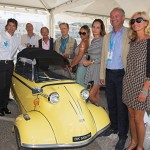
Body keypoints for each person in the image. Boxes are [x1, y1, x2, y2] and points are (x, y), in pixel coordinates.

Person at [100, 7, 130, 150]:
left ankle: (123, 135)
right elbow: (103, 57)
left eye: (117, 16)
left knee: (121, 105)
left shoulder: (130, 34)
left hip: (123, 73)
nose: (114, 18)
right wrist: (102, 76)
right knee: (111, 102)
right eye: (111, 16)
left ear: (123, 18)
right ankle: (114, 127)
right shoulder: (107, 36)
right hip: (109, 73)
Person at [123, 11, 150, 150]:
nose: (135, 23)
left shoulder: (149, 41)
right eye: (132, 21)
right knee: (131, 116)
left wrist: (145, 90)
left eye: (139, 20)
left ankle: (139, 146)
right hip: (129, 83)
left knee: (139, 119)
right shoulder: (133, 42)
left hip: (142, 84)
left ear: (146, 22)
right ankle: (133, 142)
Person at [0, 18, 24, 116]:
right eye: (9, 25)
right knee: (1, 86)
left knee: (7, 86)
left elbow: (22, 49)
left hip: (10, 64)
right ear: (6, 26)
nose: (11, 28)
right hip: (1, 63)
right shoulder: (1, 36)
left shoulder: (16, 39)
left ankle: (4, 106)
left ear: (16, 28)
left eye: (13, 26)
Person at [83, 19, 106, 105]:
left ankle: (103, 110)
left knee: (90, 95)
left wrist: (91, 62)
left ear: (101, 29)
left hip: (98, 70)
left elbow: (104, 57)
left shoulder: (103, 40)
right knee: (96, 94)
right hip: (91, 69)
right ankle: (98, 113)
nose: (95, 29)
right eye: (93, 27)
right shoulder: (92, 40)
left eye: (98, 27)